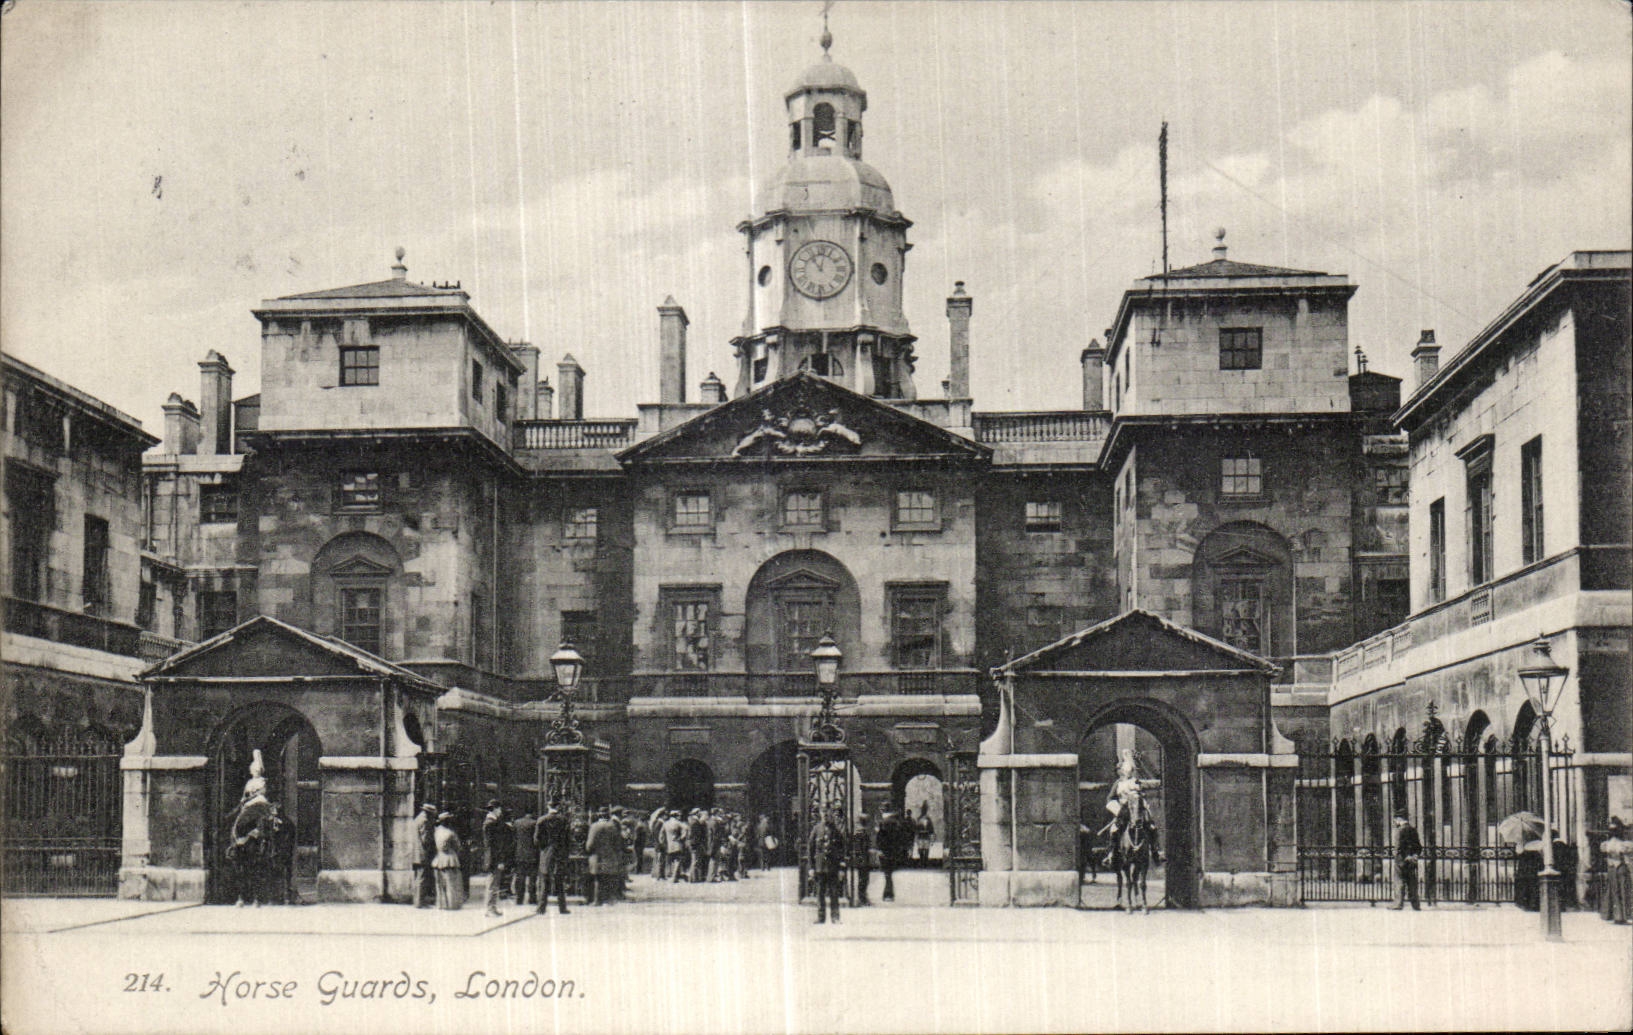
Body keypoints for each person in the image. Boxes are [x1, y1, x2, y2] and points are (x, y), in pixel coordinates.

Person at [808, 808, 845, 924]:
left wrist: (841, 868)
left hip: (833, 867)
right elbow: (811, 849)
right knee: (820, 893)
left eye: (827, 812)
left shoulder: (836, 830)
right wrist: (811, 867)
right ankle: (821, 917)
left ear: (830, 814)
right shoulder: (816, 829)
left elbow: (842, 850)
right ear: (820, 814)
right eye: (823, 812)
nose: (825, 814)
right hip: (820, 867)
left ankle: (835, 917)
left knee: (834, 893)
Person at [534, 801, 571, 916]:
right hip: (559, 853)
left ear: (548, 806)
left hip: (546, 853)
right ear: (558, 807)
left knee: (545, 881)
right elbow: (568, 839)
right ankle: (562, 908)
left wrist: (543, 848)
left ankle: (541, 908)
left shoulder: (541, 820)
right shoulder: (563, 820)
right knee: (559, 881)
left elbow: (536, 839)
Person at [585, 807, 623, 906]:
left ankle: (597, 900)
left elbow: (589, 845)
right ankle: (609, 900)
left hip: (597, 856)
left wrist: (589, 850)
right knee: (609, 878)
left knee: (598, 879)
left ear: (599, 815)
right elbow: (618, 844)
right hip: (610, 856)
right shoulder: (613, 826)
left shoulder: (594, 826)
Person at [481, 800, 512, 917]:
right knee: (492, 884)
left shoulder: (493, 822)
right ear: (494, 809)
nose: (500, 811)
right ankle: (490, 908)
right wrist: (499, 860)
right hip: (494, 859)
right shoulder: (490, 823)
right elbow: (493, 845)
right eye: (499, 809)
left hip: (493, 858)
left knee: (494, 884)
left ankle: (492, 907)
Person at [1597, 818, 1630, 924]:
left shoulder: (1607, 844)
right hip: (1619, 866)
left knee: (1614, 890)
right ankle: (1621, 916)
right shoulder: (1622, 844)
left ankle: (1616, 915)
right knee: (1621, 890)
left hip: (1613, 867)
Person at [433, 811, 465, 910]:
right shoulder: (450, 833)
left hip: (438, 859)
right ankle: (452, 904)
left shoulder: (436, 831)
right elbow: (458, 847)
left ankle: (441, 904)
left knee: (440, 884)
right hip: (450, 859)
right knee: (452, 884)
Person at [1390, 811, 1422, 911]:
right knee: (1412, 882)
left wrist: (1402, 855)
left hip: (1401, 860)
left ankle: (1398, 904)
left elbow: (1399, 846)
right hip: (1412, 860)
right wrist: (1414, 855)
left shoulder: (1400, 830)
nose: (1395, 822)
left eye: (1395, 820)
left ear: (1399, 819)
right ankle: (1416, 905)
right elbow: (1418, 846)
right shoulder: (1413, 829)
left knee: (1399, 881)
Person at [511, 808, 538, 906]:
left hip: (519, 853)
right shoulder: (535, 823)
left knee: (520, 877)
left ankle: (519, 898)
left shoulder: (517, 823)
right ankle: (532, 898)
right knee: (532, 878)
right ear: (532, 813)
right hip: (532, 854)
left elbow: (513, 839)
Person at [413, 802, 438, 908]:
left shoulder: (417, 819)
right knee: (422, 878)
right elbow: (426, 839)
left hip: (417, 853)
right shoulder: (424, 821)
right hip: (423, 853)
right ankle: (420, 902)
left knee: (419, 877)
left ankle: (418, 901)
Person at [852, 813, 875, 906]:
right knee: (863, 879)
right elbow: (859, 849)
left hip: (863, 859)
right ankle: (861, 898)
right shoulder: (860, 833)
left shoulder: (862, 833)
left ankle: (863, 897)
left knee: (864, 879)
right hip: (862, 860)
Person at [664, 810, 689, 882]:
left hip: (669, 844)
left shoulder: (665, 823)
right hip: (677, 844)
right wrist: (681, 838)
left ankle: (671, 875)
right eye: (678, 815)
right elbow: (686, 829)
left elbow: (661, 835)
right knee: (677, 861)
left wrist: (665, 842)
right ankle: (674, 877)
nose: (679, 817)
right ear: (676, 816)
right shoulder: (678, 823)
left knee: (671, 861)